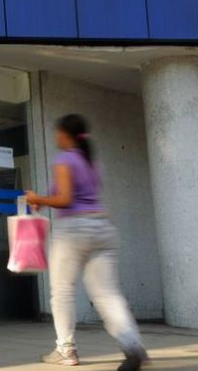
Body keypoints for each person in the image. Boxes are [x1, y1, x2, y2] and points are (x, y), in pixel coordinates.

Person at [26, 114, 148, 371]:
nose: (56, 137)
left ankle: (66, 349)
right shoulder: (92, 161)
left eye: (58, 132)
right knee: (107, 293)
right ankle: (132, 344)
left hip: (73, 230)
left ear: (65, 134)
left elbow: (66, 199)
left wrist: (39, 199)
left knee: (62, 291)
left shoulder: (64, 159)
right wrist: (47, 200)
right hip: (102, 226)